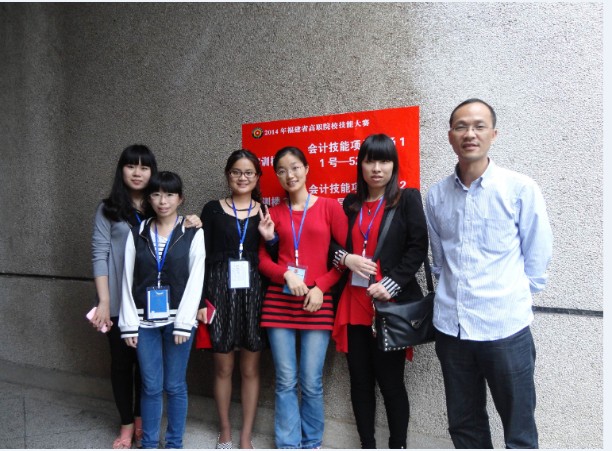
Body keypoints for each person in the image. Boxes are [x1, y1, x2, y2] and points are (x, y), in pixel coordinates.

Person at [425, 99, 553, 449]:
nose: (470, 133)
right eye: (461, 126)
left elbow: (537, 255)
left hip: (504, 328)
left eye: (479, 126)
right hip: (452, 330)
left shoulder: (519, 188)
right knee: (464, 427)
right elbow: (440, 259)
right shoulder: (436, 195)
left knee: (519, 430)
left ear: (493, 134)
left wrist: (511, 298)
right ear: (450, 136)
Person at [91, 145, 201, 448]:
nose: (137, 172)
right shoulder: (112, 211)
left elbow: (187, 259)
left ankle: (151, 428)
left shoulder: (164, 213)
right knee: (126, 367)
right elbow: (102, 257)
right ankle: (131, 428)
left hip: (166, 311)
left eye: (144, 167)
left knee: (157, 377)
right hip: (124, 304)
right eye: (131, 166)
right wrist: (106, 303)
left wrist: (193, 220)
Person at [330, 134, 429, 449]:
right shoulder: (350, 204)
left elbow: (418, 247)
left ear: (393, 165)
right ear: (360, 165)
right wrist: (345, 258)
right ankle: (367, 445)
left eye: (384, 161)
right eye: (370, 161)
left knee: (391, 384)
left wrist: (391, 284)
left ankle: (397, 445)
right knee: (359, 382)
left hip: (389, 306)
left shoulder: (407, 199)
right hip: (354, 303)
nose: (376, 168)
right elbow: (332, 243)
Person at [257, 146, 348, 449]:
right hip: (279, 304)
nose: (289, 175)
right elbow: (262, 260)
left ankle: (312, 442)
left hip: (317, 303)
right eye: (281, 170)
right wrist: (285, 274)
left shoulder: (330, 208)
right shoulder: (274, 214)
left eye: (295, 167)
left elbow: (344, 257)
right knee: (285, 381)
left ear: (307, 169)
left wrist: (321, 287)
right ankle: (287, 443)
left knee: (311, 381)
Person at [119, 171, 205, 449]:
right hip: (144, 322)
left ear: (180, 198)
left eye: (169, 194)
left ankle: (174, 443)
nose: (162, 201)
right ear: (149, 199)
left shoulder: (192, 232)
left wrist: (184, 322)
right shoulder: (138, 233)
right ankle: (149, 444)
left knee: (175, 385)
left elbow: (196, 279)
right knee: (151, 385)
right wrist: (128, 325)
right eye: (156, 194)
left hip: (178, 321)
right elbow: (127, 279)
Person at [198, 149, 267, 449]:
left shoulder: (264, 212)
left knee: (250, 369)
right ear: (228, 175)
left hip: (254, 295)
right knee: (223, 367)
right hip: (218, 292)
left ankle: (246, 436)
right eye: (236, 172)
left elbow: (273, 255)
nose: (242, 177)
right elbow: (199, 258)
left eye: (249, 172)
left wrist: (271, 238)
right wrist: (201, 300)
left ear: (257, 177)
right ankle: (225, 430)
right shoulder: (212, 210)